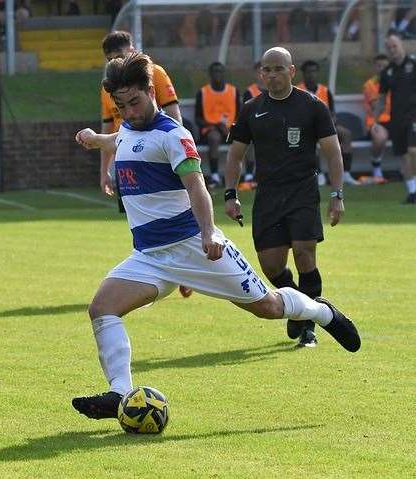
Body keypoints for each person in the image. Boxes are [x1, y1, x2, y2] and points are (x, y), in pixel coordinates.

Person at [71, 52, 360, 419]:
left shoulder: (174, 136)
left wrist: (209, 233)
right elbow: (122, 140)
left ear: (151, 91)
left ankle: (321, 312)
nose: (128, 112)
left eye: (135, 102)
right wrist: (98, 138)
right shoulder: (128, 128)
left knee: (268, 307)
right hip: (150, 256)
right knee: (102, 308)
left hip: (195, 248)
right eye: (120, 105)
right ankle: (120, 393)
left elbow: (197, 187)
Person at [224, 47, 348, 348]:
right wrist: (231, 195)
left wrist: (336, 194)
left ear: (291, 71)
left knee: (305, 254)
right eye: (267, 69)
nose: (272, 74)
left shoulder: (312, 106)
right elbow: (235, 156)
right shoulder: (251, 109)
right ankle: (298, 309)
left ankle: (308, 326)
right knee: (271, 266)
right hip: (268, 195)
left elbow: (333, 153)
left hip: (303, 190)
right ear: (260, 74)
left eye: (279, 69)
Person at [98, 31, 191, 299]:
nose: (117, 61)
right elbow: (106, 125)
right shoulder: (109, 85)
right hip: (126, 157)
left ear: (133, 49)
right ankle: (155, 270)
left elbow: (173, 113)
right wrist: (104, 170)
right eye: (111, 58)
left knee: (176, 209)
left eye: (121, 55)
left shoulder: (155, 74)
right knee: (139, 216)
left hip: (157, 156)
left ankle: (185, 264)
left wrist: (177, 150)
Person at [297, 60, 358, 186]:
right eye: (308, 72)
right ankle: (318, 174)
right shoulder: (298, 91)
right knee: (309, 140)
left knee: (345, 134)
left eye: (314, 71)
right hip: (306, 128)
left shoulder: (325, 91)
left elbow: (332, 113)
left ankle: (346, 173)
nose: (311, 75)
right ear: (303, 74)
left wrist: (329, 122)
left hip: (325, 126)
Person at [375, 32, 416, 204]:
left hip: (414, 116)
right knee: (403, 156)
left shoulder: (413, 65)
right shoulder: (387, 72)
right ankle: (413, 192)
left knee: (413, 151)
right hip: (396, 119)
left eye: (395, 46)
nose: (392, 50)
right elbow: (382, 98)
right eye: (389, 47)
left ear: (402, 45)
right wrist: (375, 121)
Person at [195, 61, 240, 187]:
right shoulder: (203, 92)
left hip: (229, 129)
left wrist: (232, 127)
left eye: (220, 71)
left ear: (224, 73)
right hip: (210, 129)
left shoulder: (233, 91)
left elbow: (240, 116)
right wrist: (215, 126)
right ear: (210, 74)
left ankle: (246, 175)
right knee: (214, 137)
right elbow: (198, 118)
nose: (217, 74)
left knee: (245, 139)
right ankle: (215, 175)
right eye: (214, 71)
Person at [362, 54, 391, 182]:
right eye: (379, 66)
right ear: (375, 68)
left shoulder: (395, 81)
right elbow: (377, 106)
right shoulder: (370, 85)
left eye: (385, 66)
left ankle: (407, 171)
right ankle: (376, 165)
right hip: (377, 121)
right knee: (380, 138)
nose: (382, 69)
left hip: (396, 119)